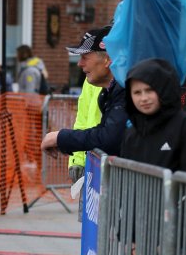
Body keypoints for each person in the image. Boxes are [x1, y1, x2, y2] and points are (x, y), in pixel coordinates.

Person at [41, 26, 126, 158]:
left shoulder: (125, 89)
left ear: (107, 60)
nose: (79, 64)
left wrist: (60, 138)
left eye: (85, 57)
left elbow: (110, 138)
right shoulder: (110, 92)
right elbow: (103, 132)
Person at [119, 58, 186, 173]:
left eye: (150, 90)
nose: (144, 98)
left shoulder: (185, 123)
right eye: (137, 92)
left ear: (164, 89)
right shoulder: (130, 134)